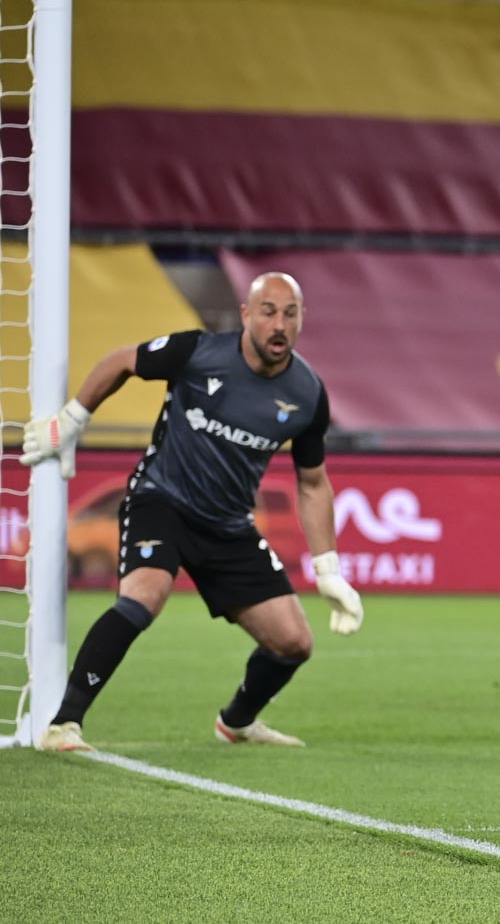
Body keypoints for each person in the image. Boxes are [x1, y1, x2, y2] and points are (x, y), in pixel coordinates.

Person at [23, 272, 365, 752]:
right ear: (246, 315)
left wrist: (329, 570)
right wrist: (72, 421)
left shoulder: (308, 393)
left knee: (294, 643)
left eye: (291, 313)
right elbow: (122, 361)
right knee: (144, 597)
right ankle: (64, 723)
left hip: (227, 525)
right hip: (161, 499)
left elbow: (313, 483)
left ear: (302, 319)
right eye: (268, 311)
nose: (279, 324)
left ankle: (237, 723)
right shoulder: (198, 353)